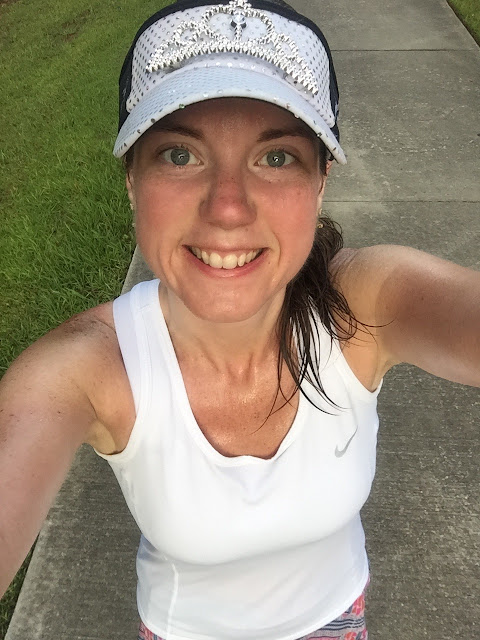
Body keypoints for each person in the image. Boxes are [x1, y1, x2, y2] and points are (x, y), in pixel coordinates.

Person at [0, 0, 478, 638]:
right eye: (180, 155)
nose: (228, 208)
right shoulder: (90, 368)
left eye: (276, 158)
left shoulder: (362, 309)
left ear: (321, 182)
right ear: (132, 179)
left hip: (338, 619)